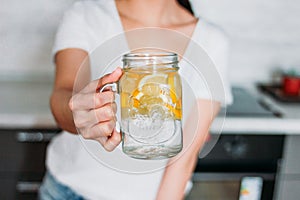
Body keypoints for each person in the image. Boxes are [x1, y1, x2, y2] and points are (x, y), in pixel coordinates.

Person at [39, 0, 232, 199]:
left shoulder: (211, 41)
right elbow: (63, 93)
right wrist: (79, 112)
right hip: (65, 191)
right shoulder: (86, 15)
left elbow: (183, 161)